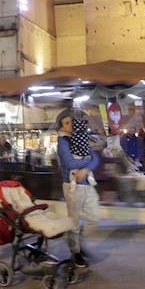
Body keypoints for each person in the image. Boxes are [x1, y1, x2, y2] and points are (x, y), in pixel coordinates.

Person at [55, 109, 101, 268]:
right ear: (61, 128)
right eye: (67, 123)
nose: (71, 125)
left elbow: (95, 159)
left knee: (95, 216)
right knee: (74, 222)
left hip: (87, 183)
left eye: (71, 122)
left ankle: (78, 241)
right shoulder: (62, 142)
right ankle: (75, 252)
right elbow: (70, 164)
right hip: (72, 187)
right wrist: (87, 163)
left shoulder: (80, 138)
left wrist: (86, 169)